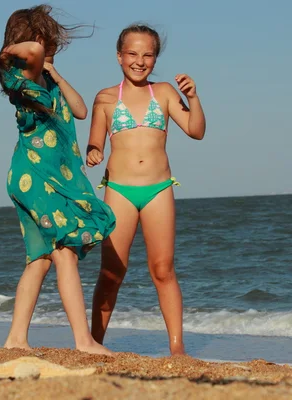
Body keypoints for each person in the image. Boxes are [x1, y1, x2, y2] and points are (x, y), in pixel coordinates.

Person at [0, 4, 116, 355]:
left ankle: (16, 339)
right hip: (36, 176)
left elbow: (79, 110)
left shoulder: (46, 78)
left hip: (43, 176)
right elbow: (29, 52)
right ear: (34, 40)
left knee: (40, 258)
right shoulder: (17, 77)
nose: (47, 51)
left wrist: (57, 73)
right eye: (47, 43)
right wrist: (19, 49)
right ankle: (83, 341)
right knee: (65, 252)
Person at [87, 24, 206, 355]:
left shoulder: (165, 92)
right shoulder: (106, 98)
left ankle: (177, 347)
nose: (139, 61)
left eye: (148, 54)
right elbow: (95, 137)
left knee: (163, 269)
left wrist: (193, 97)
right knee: (111, 272)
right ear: (119, 56)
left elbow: (196, 131)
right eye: (132, 54)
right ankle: (94, 343)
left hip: (158, 190)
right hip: (119, 192)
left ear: (155, 58)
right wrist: (94, 151)